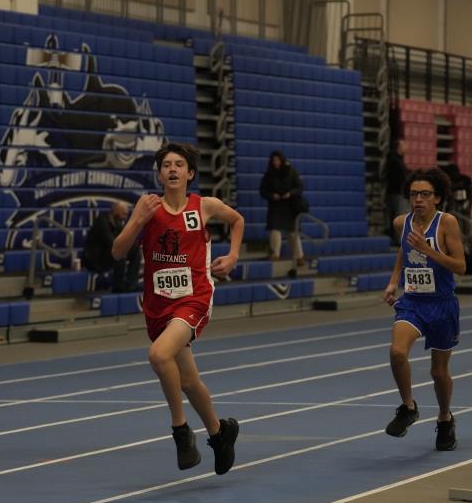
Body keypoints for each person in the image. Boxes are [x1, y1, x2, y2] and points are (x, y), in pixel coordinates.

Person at [112, 142, 243, 475]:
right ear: (159, 174)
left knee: (159, 356)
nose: (172, 169)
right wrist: (137, 220)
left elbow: (237, 220)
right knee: (188, 380)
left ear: (190, 173)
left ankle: (181, 430)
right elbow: (117, 251)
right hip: (158, 304)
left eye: (179, 165)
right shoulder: (148, 208)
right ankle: (220, 433)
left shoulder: (204, 206)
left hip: (194, 298)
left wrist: (232, 256)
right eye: (166, 165)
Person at [382, 168, 466, 451]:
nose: (418, 199)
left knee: (439, 373)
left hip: (442, 304)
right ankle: (408, 407)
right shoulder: (401, 222)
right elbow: (404, 251)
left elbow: (461, 267)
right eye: (414, 194)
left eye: (425, 194)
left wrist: (428, 250)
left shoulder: (447, 223)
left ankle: (444, 418)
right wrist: (393, 281)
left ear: (437, 198)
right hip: (413, 302)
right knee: (397, 352)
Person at [259, 150, 306, 277]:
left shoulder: (291, 172)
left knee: (292, 233)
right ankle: (275, 253)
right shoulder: (268, 175)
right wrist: (271, 195)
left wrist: (290, 193)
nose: (275, 163)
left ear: (282, 160)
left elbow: (300, 187)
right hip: (276, 205)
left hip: (290, 205)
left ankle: (299, 256)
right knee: (275, 230)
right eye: (273, 160)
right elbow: (262, 191)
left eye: (277, 160)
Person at [83, 200, 141, 292]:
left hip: (107, 254)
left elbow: (125, 238)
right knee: (119, 253)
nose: (125, 217)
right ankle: (118, 287)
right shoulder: (102, 222)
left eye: (126, 215)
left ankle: (131, 284)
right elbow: (112, 243)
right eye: (124, 214)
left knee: (135, 250)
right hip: (95, 259)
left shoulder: (117, 222)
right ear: (115, 211)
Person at [385, 139, 409, 242]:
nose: (406, 147)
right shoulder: (395, 161)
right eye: (403, 145)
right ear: (399, 147)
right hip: (398, 192)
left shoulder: (396, 159)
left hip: (395, 192)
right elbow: (399, 178)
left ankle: (396, 238)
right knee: (400, 216)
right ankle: (399, 239)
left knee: (395, 215)